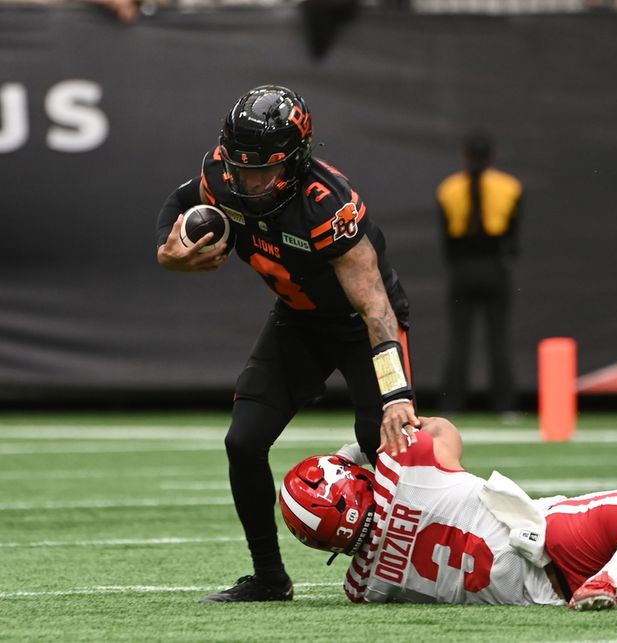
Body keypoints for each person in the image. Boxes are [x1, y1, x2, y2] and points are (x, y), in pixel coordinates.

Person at [155, 85, 419, 602]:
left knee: (386, 446)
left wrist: (396, 394)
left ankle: (421, 565)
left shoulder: (327, 205)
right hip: (297, 322)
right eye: (241, 166)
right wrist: (169, 253)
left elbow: (376, 310)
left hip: (358, 327)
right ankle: (269, 578)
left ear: (295, 162)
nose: (249, 181)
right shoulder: (220, 174)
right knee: (243, 442)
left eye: (264, 170)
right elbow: (179, 202)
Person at [279, 417, 617, 608]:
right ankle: (613, 576)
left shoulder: (364, 587)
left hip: (553, 593)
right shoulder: (404, 467)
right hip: (561, 536)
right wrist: (355, 452)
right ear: (353, 479)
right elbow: (441, 430)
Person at [436, 131, 523, 415]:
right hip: (495, 268)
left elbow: (446, 242)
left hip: (463, 268)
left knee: (459, 340)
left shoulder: (448, 188)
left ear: (465, 156)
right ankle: (504, 406)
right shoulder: (510, 187)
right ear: (492, 156)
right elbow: (513, 240)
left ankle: (452, 405)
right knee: (498, 339)